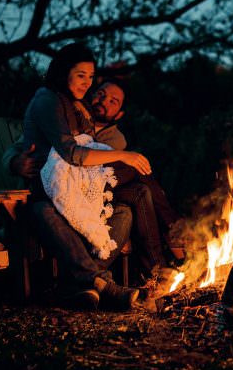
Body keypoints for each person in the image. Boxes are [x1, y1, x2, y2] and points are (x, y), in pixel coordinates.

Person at [6, 71, 181, 302]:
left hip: (94, 198)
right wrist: (14, 162)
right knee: (139, 184)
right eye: (101, 94)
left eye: (113, 101)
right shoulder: (62, 118)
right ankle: (152, 258)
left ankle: (81, 282)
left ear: (119, 114)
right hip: (56, 194)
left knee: (129, 204)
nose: (103, 101)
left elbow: (95, 175)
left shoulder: (116, 140)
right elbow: (15, 149)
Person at [18, 42, 150, 310]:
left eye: (90, 77)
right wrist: (123, 155)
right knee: (43, 211)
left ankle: (74, 286)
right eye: (81, 75)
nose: (87, 83)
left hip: (78, 194)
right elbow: (72, 153)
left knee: (123, 212)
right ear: (63, 71)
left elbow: (87, 149)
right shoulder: (47, 100)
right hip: (46, 195)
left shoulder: (78, 106)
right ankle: (102, 283)